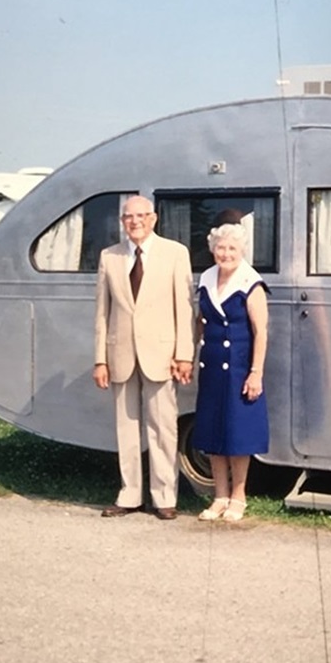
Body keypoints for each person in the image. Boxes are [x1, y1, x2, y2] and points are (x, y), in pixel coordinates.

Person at [93, 194, 195, 520]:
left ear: (153, 219)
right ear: (122, 222)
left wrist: (184, 355)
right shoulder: (109, 257)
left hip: (162, 355)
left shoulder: (175, 254)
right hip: (120, 354)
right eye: (128, 217)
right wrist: (100, 359)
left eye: (141, 216)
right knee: (126, 428)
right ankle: (129, 494)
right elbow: (101, 314)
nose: (134, 222)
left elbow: (186, 309)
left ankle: (164, 497)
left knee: (163, 428)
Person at [193, 221, 270, 522]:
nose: (226, 253)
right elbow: (200, 320)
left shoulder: (251, 282)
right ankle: (219, 496)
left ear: (243, 251)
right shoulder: (207, 278)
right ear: (213, 250)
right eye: (221, 248)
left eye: (232, 248)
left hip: (240, 369)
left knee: (238, 435)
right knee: (213, 433)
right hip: (211, 367)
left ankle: (239, 497)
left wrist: (256, 372)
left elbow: (261, 332)